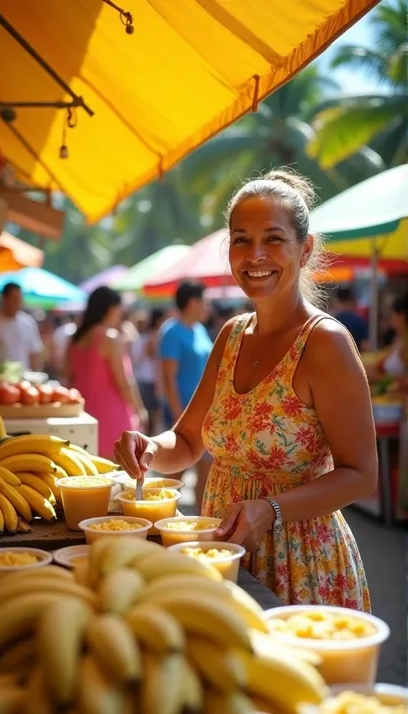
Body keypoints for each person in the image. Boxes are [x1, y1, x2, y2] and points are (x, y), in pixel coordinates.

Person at [114, 169, 377, 610]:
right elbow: (187, 440)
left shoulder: (324, 343)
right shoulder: (232, 335)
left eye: (273, 238)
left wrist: (271, 509)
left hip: (301, 564)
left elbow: (361, 473)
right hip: (222, 547)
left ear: (305, 248)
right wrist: (149, 448)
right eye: (241, 239)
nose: (255, 255)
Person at [64, 286, 147, 459]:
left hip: (83, 419)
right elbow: (124, 383)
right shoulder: (109, 338)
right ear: (110, 308)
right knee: (119, 480)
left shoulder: (76, 339)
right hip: (113, 420)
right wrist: (140, 410)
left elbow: (68, 376)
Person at [158, 281, 213, 510]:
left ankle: (202, 522)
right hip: (182, 413)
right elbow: (168, 378)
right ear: (192, 302)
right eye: (204, 301)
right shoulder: (172, 332)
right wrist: (178, 415)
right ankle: (161, 516)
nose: (208, 306)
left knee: (206, 471)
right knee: (175, 472)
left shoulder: (199, 330)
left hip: (206, 413)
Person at [0, 282, 44, 370]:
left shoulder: (28, 322)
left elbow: (34, 353)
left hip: (24, 378)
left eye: (19, 299)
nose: (17, 303)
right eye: (14, 299)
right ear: (4, 299)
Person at [130, 308, 167, 436]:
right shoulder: (154, 337)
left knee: (150, 416)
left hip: (142, 379)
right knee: (153, 417)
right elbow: (156, 362)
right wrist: (160, 385)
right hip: (151, 381)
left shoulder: (144, 337)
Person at [333, 284, 369, 352]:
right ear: (351, 298)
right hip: (355, 358)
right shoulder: (359, 321)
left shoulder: (332, 322)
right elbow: (365, 345)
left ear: (337, 299)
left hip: (336, 358)